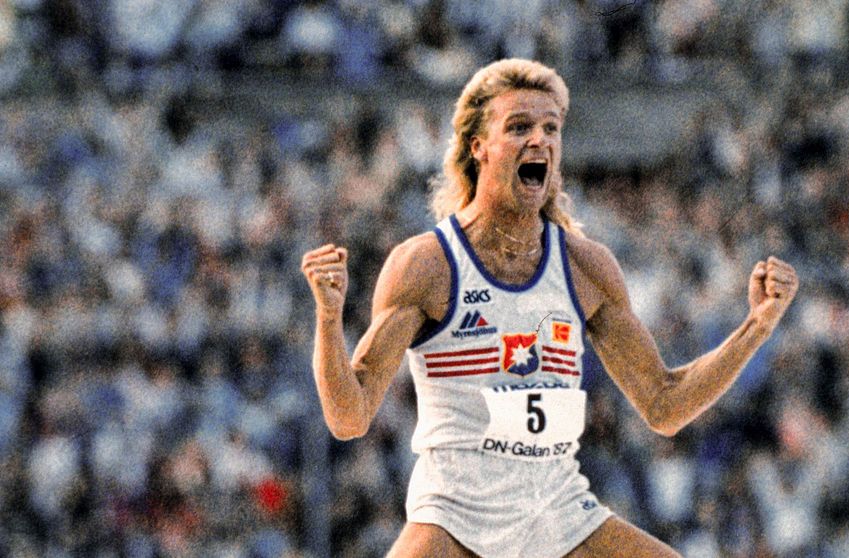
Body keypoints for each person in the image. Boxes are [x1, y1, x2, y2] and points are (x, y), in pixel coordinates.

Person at [301, 59, 799, 558]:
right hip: (454, 517)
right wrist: (327, 318)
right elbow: (349, 418)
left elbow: (665, 406)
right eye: (519, 127)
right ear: (478, 148)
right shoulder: (427, 264)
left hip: (557, 515)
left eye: (551, 128)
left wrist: (756, 328)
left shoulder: (585, 266)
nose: (539, 139)